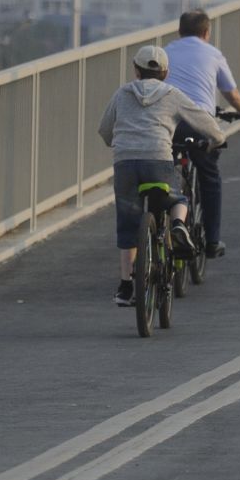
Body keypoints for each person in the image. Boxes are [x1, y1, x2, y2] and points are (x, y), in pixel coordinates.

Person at [97, 43, 226, 307]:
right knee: (178, 198)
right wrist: (218, 139)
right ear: (166, 73)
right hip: (158, 159)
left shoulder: (122, 93)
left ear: (136, 70)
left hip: (126, 164)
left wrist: (116, 141)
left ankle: (125, 287)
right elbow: (203, 121)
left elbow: (104, 129)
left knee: (128, 222)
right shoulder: (172, 94)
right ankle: (178, 225)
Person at [162, 9, 240, 258]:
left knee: (165, 169)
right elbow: (231, 93)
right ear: (206, 32)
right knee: (209, 175)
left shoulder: (166, 52)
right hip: (199, 121)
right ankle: (212, 241)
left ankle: (162, 224)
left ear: (179, 31)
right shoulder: (213, 54)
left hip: (168, 121)